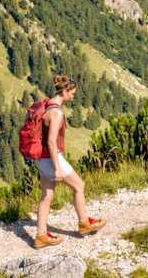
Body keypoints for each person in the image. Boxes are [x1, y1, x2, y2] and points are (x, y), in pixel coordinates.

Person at [33, 75, 106, 248]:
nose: (73, 97)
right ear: (64, 91)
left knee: (47, 196)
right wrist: (57, 168)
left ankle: (40, 235)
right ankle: (84, 223)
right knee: (79, 186)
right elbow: (51, 141)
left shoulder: (46, 105)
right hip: (51, 158)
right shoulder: (56, 112)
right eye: (72, 93)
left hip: (40, 158)